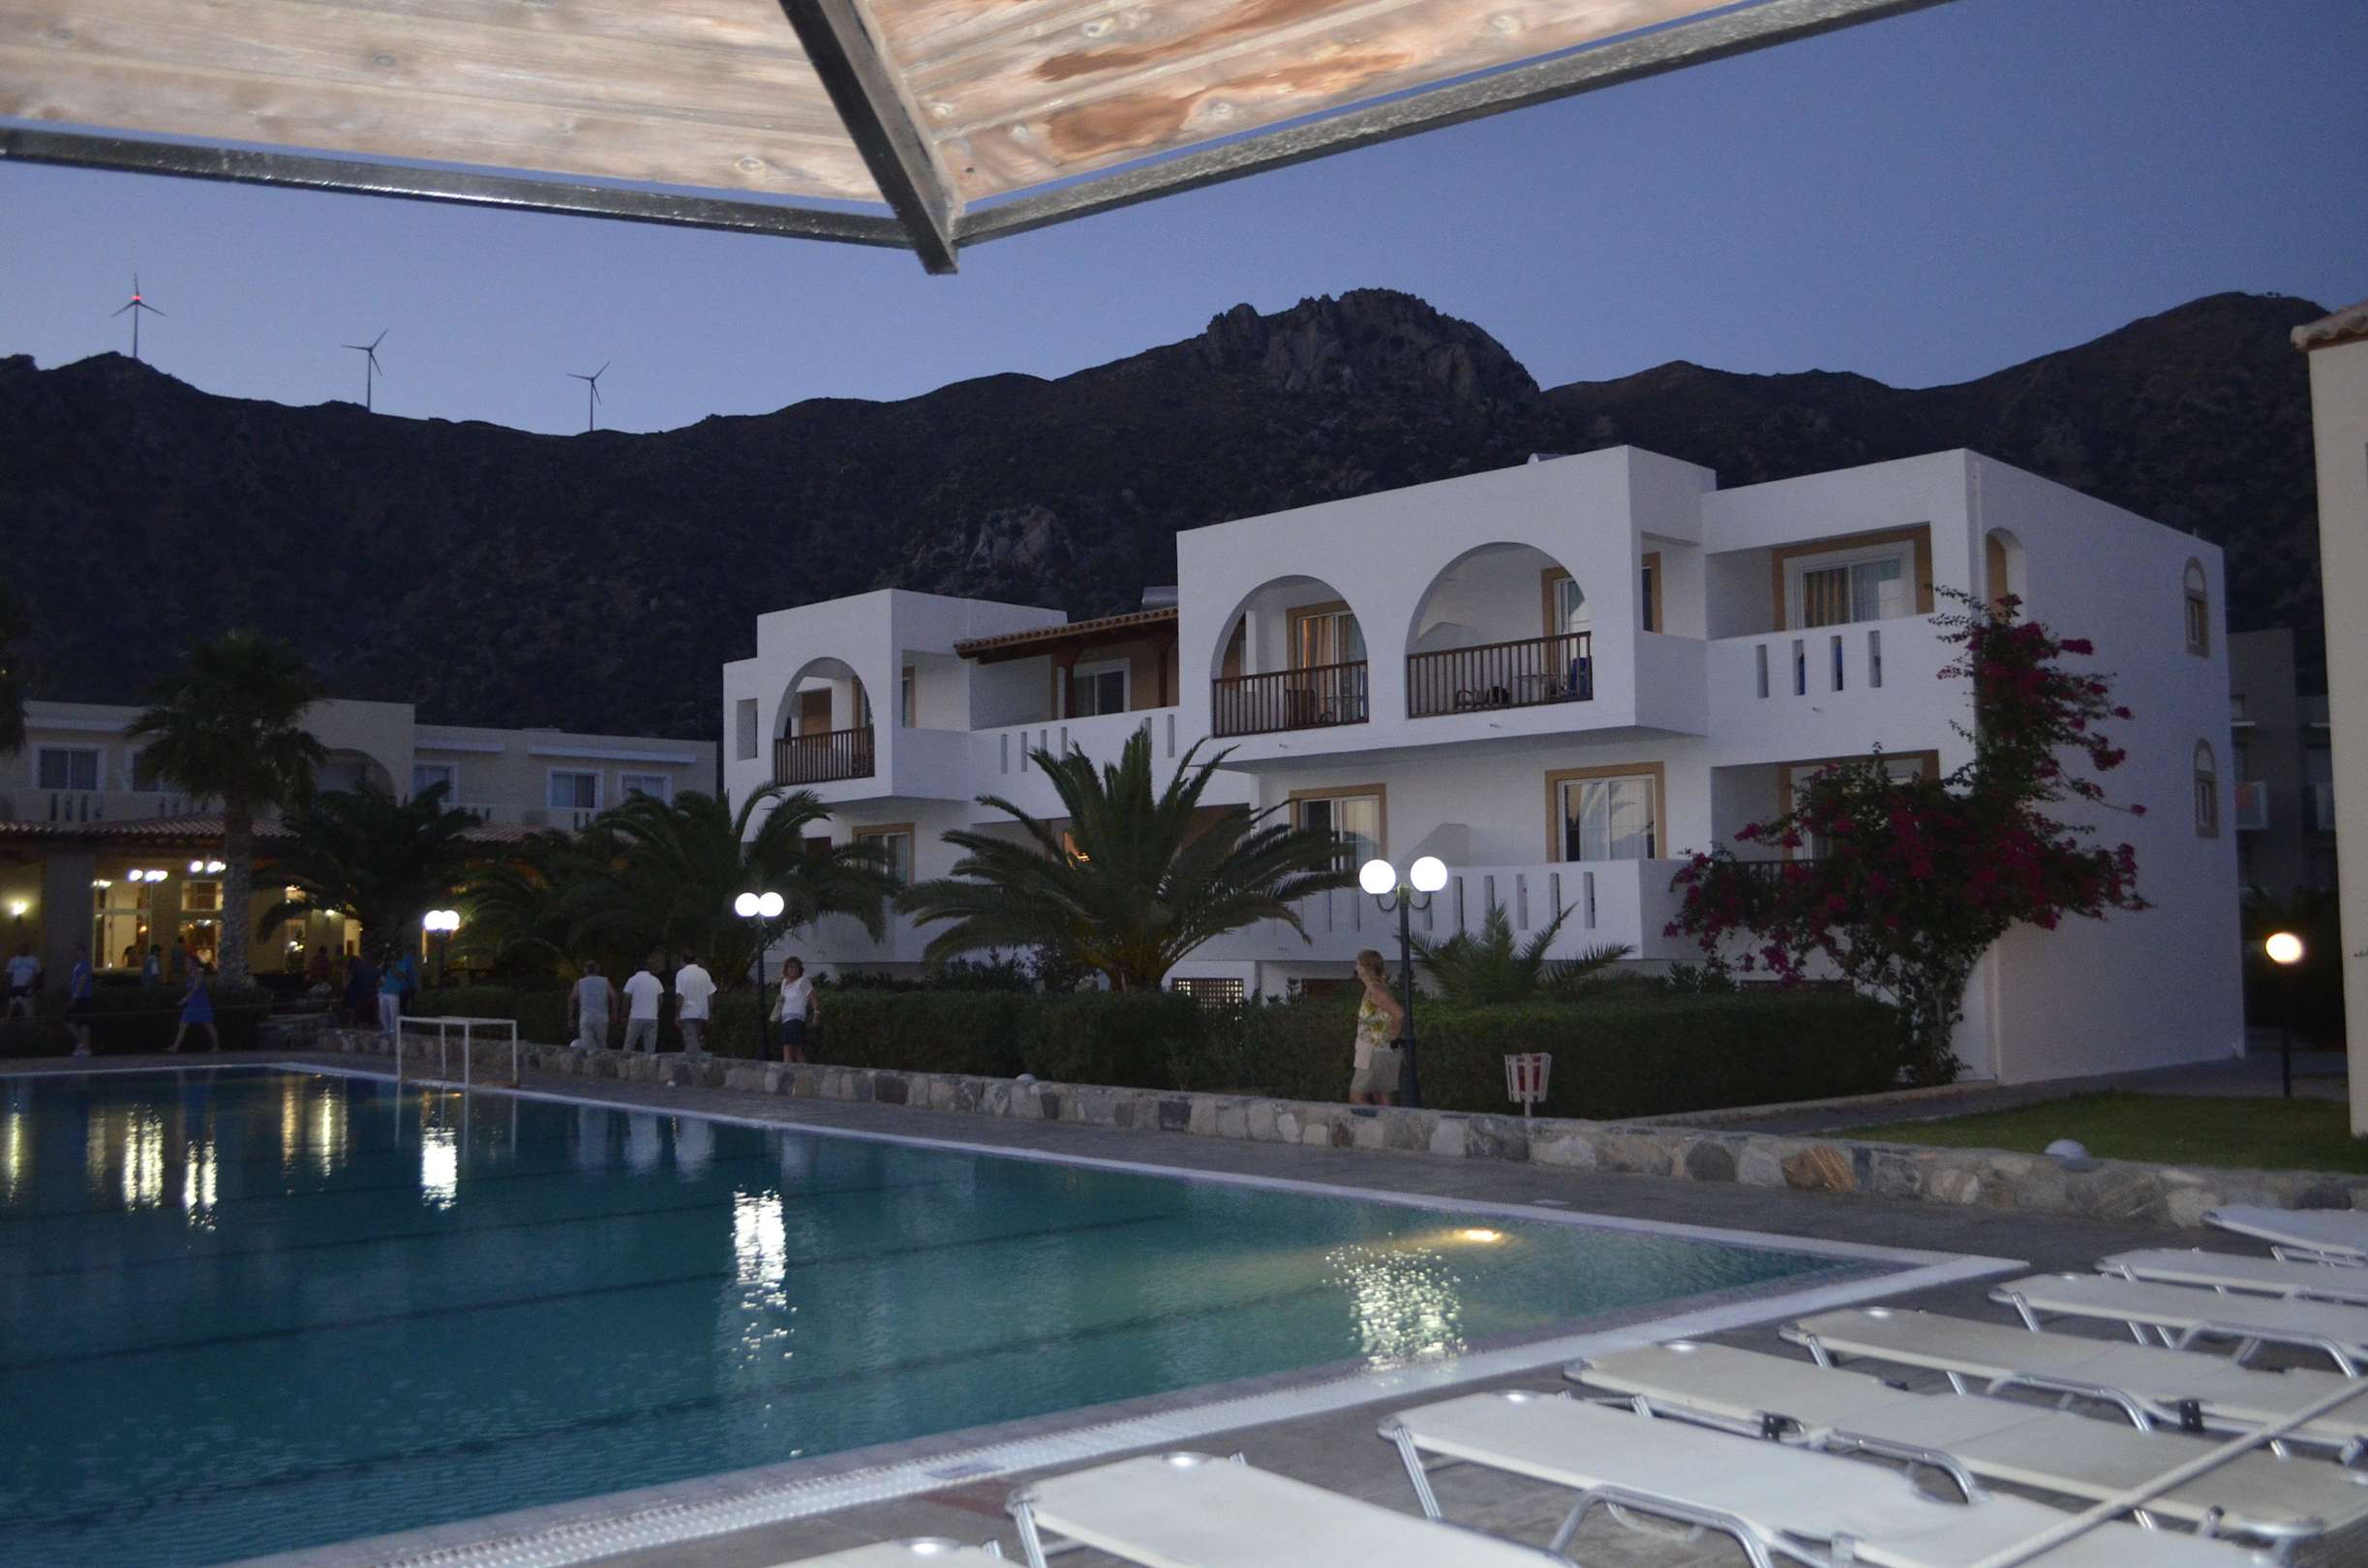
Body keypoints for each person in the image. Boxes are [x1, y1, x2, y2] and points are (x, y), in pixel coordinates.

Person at [1349, 949, 1406, 1107]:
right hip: (1380, 1050)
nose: (1356, 967)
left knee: (1356, 1097)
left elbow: (1399, 1014)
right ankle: (1388, 1123)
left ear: (1366, 967)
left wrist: (1393, 1037)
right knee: (1382, 1097)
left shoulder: (1375, 990)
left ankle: (1374, 1122)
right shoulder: (1378, 987)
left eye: (1358, 964)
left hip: (1372, 1051)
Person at [167, 955, 219, 1053]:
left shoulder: (199, 974)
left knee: (208, 1025)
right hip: (192, 1003)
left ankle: (216, 1046)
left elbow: (195, 989)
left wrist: (184, 999)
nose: (186, 965)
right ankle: (175, 1047)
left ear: (194, 964)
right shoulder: (190, 975)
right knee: (183, 1024)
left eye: (188, 963)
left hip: (201, 1003)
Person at [774, 957, 816, 1065]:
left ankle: (797, 1072)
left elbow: (813, 998)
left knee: (793, 1051)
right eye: (791, 967)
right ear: (786, 969)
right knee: (793, 1051)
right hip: (785, 1020)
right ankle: (798, 1072)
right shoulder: (784, 982)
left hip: (796, 1019)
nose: (793, 969)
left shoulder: (803, 981)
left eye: (796, 967)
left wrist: (816, 1014)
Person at [673, 951, 714, 1056]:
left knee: (691, 1041)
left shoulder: (681, 973)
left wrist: (677, 1014)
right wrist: (710, 1012)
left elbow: (680, 996)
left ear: (683, 961)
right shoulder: (704, 973)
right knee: (695, 1039)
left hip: (687, 1012)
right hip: (702, 1013)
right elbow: (710, 995)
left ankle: (696, 1063)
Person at [621, 953, 664, 1054]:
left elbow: (626, 998)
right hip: (652, 1017)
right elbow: (660, 999)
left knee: (629, 1045)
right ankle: (649, 1064)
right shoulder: (655, 980)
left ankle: (625, 1062)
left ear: (636, 968)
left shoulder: (632, 980)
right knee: (650, 1048)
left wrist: (624, 1014)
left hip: (636, 1017)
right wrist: (656, 1011)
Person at [569, 960, 615, 1052]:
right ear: (597, 969)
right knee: (602, 1045)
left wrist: (570, 1017)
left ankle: (591, 1060)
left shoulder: (580, 983)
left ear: (585, 970)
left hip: (586, 1018)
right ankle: (603, 1060)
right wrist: (614, 1013)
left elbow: (572, 999)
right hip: (602, 1018)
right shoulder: (605, 981)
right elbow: (613, 996)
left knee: (588, 1047)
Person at [379, 947, 418, 1045]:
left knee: (394, 1014)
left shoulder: (403, 963)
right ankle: (385, 1030)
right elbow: (379, 974)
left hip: (393, 992)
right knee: (383, 1013)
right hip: (383, 991)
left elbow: (401, 976)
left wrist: (392, 966)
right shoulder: (386, 964)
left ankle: (393, 1032)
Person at [65, 943, 95, 1056]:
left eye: (76, 951)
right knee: (69, 1020)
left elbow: (82, 980)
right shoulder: (78, 965)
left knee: (83, 1022)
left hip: (82, 997)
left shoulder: (84, 965)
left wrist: (75, 995)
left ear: (82, 952)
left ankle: (85, 1047)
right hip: (78, 996)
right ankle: (81, 1043)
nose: (74, 953)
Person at [343, 950, 379, 1029]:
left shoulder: (357, 968)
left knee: (354, 1014)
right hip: (370, 995)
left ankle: (353, 1025)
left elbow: (347, 983)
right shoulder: (375, 969)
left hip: (357, 995)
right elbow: (378, 983)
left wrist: (344, 975)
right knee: (364, 1018)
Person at [2, 943, 38, 1020]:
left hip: (27, 987)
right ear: (18, 949)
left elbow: (37, 974)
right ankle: (8, 1024)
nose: (23, 950)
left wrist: (33, 987)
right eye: (21, 948)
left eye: (25, 948)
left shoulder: (33, 960)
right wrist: (8, 987)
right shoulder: (13, 960)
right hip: (15, 988)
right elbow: (8, 974)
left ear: (28, 949)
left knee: (28, 1010)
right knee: (10, 1009)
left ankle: (29, 1024)